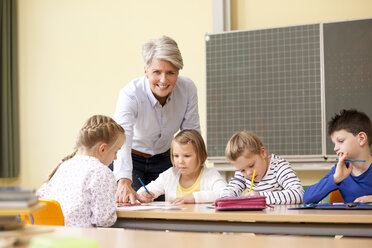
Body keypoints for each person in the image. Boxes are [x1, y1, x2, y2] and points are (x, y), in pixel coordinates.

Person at [113, 36, 200, 203]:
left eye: (170, 73)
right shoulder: (130, 94)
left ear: (178, 72)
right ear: (146, 70)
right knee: (132, 205)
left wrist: (195, 169)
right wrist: (123, 180)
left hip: (164, 158)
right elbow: (123, 138)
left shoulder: (188, 89)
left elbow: (191, 135)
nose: (163, 80)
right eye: (156, 72)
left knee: (170, 210)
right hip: (132, 158)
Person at [37, 115, 125, 227]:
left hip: (55, 237)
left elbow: (41, 198)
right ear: (102, 149)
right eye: (116, 152)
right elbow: (103, 219)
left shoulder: (64, 166)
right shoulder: (102, 172)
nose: (115, 158)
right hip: (81, 239)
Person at [137, 129, 226, 204]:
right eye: (176, 156)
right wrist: (144, 195)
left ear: (201, 156)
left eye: (187, 156)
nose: (180, 161)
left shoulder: (210, 175)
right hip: (174, 224)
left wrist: (194, 198)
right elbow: (142, 192)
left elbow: (225, 194)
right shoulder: (170, 175)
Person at [303, 109, 372, 203]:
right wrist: (336, 178)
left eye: (340, 141)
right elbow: (307, 198)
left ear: (361, 139)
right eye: (334, 144)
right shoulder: (340, 169)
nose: (335, 148)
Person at [220, 131, 304, 204]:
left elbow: (299, 194)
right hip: (260, 220)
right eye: (242, 170)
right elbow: (231, 189)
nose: (248, 173)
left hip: (282, 220)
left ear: (262, 153)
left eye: (251, 165)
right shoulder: (243, 172)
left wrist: (260, 197)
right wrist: (225, 198)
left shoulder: (279, 167)